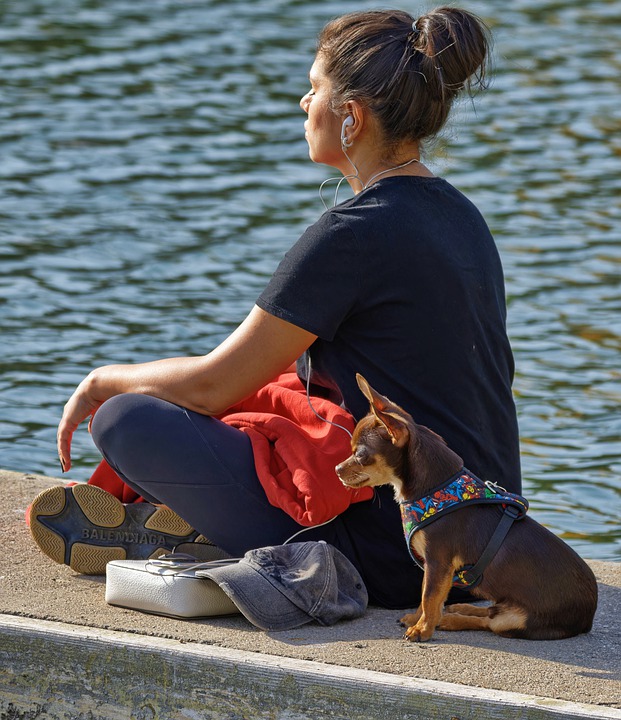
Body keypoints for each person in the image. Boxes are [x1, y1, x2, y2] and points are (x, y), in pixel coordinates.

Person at [28, 7, 521, 610]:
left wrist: (103, 380)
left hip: (400, 557)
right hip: (492, 540)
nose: (302, 103)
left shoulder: (354, 234)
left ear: (351, 118)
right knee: (280, 391)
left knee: (125, 420)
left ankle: (205, 519)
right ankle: (198, 518)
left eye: (314, 90)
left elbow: (213, 384)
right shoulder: (463, 217)